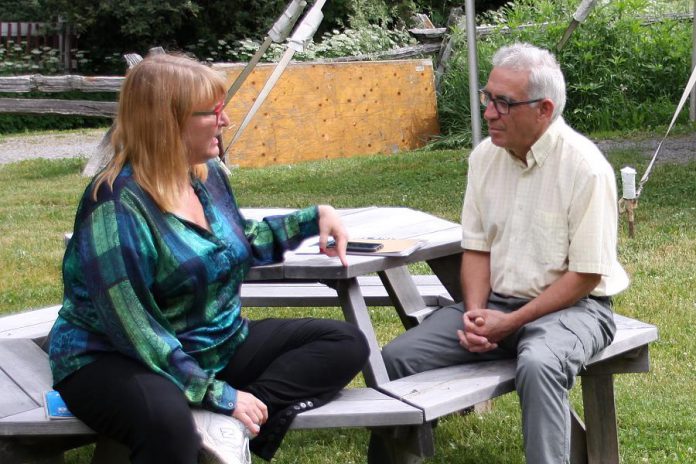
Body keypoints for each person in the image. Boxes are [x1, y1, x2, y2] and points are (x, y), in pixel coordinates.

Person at [47, 53, 369, 463]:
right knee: (168, 427)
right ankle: (218, 414)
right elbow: (137, 331)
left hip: (212, 345)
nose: (226, 121)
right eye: (213, 112)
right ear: (168, 121)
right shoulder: (115, 206)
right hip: (113, 357)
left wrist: (314, 217)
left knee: (344, 342)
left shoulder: (204, 174)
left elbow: (241, 242)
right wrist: (219, 392)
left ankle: (231, 428)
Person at [377, 43, 629, 463]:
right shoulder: (484, 158)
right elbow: (476, 248)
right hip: (496, 305)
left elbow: (586, 274)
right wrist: (476, 314)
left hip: (576, 308)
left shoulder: (587, 168)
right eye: (487, 98)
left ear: (544, 109)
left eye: (503, 103)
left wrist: (509, 323)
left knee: (540, 365)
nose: (489, 112)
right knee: (396, 358)